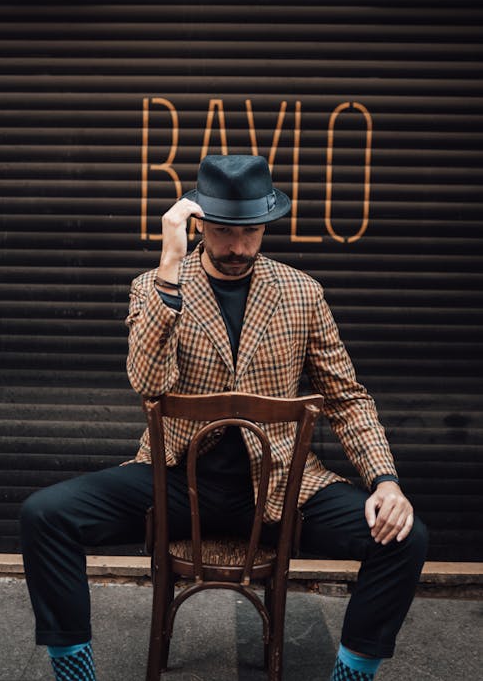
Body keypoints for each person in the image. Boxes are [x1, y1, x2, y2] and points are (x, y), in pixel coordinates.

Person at [21, 154, 427, 681]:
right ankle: (73, 672)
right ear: (197, 223)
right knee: (43, 515)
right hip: (174, 482)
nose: (238, 247)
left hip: (281, 486)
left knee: (405, 537)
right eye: (222, 231)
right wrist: (169, 272)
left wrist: (386, 480)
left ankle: (353, 674)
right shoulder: (155, 286)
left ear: (265, 225)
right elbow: (148, 384)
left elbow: (346, 397)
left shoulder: (302, 291)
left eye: (250, 231)